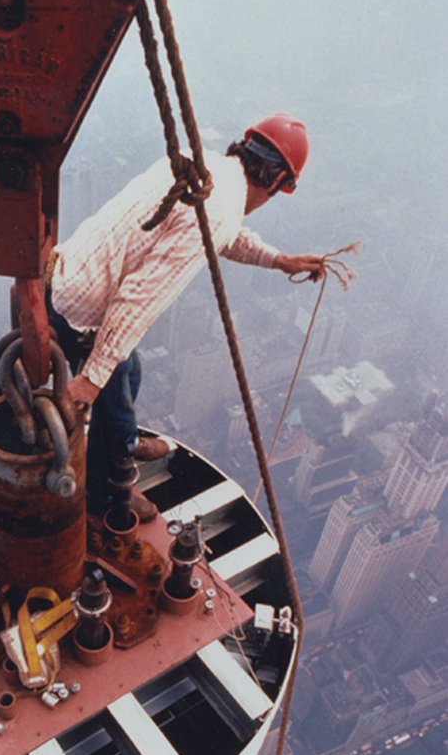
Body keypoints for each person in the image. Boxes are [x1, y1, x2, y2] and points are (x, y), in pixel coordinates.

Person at [46, 114, 325, 519]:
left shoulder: (204, 168)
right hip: (82, 309)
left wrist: (279, 260)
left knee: (131, 373)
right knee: (115, 393)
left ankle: (120, 440)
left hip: (69, 274)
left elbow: (225, 235)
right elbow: (140, 296)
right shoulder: (218, 207)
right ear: (278, 181)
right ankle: (109, 494)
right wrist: (90, 379)